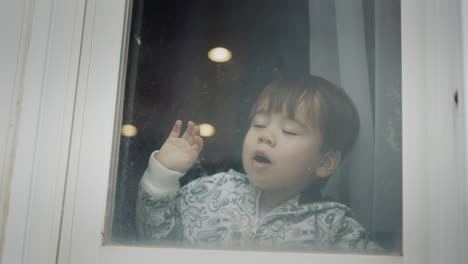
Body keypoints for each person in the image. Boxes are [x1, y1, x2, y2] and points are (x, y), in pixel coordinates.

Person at [136, 74, 381, 253]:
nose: (265, 135)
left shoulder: (332, 226)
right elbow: (154, 240)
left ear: (325, 162)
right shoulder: (212, 190)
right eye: (259, 124)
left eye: (290, 130)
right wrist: (163, 176)